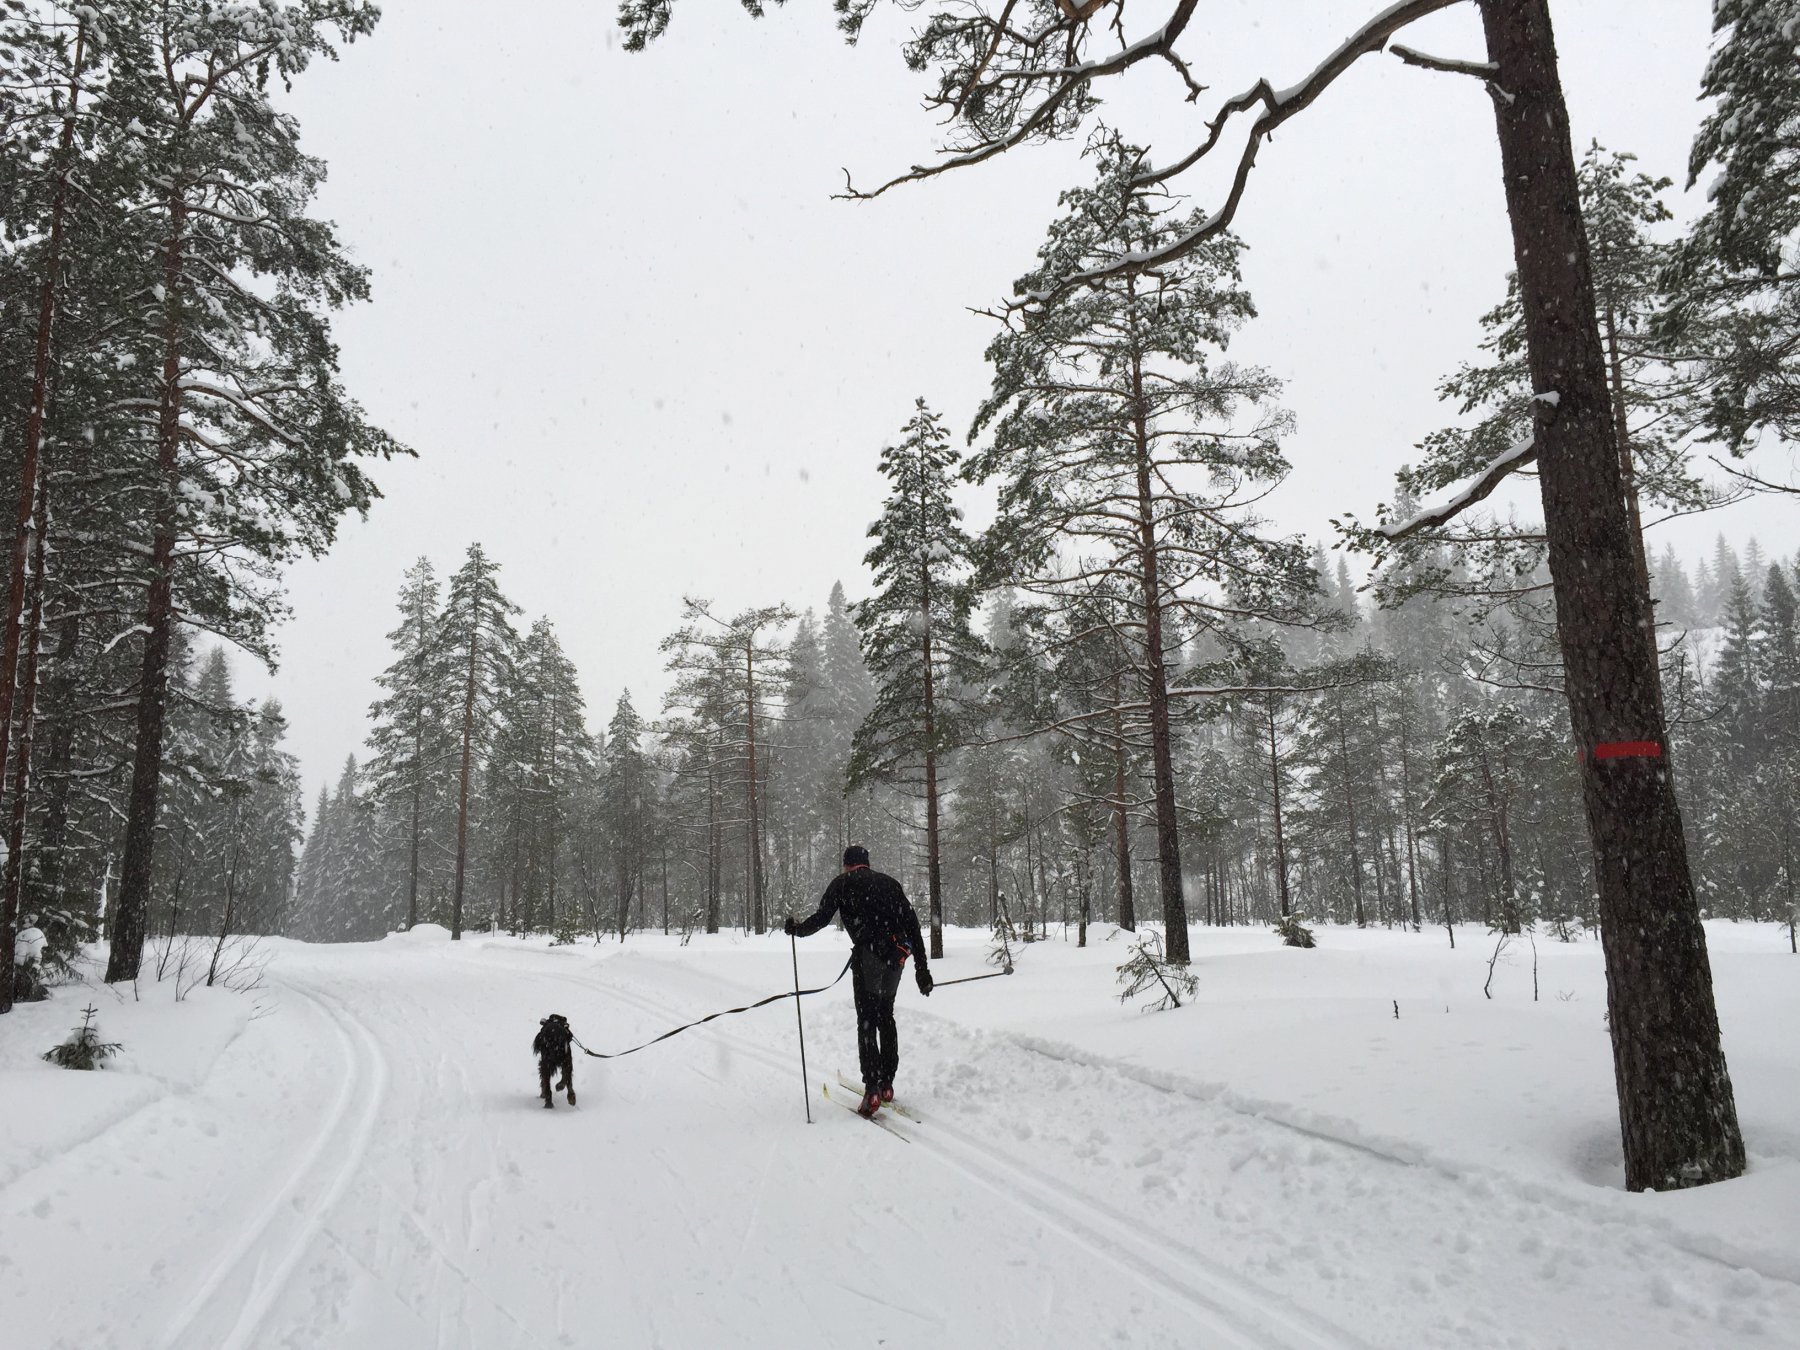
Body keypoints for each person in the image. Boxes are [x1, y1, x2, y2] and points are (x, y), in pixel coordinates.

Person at [784, 844, 932, 1117]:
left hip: (869, 959)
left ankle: (872, 1090)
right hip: (896, 958)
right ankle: (887, 1084)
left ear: (846, 865)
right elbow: (913, 924)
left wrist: (796, 930)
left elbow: (821, 919)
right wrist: (922, 970)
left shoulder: (842, 884)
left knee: (867, 1021)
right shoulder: (890, 883)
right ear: (866, 863)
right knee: (885, 1016)